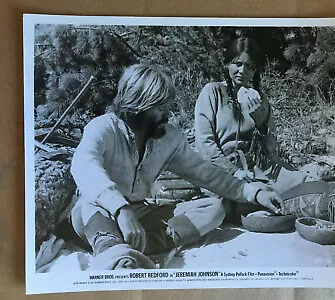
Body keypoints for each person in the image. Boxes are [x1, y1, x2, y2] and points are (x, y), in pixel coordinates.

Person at [69, 63, 284, 270]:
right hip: (100, 211)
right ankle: (112, 249)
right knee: (89, 208)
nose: (166, 115)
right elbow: (83, 166)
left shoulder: (168, 138)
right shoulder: (103, 128)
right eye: (160, 108)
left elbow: (205, 174)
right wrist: (120, 209)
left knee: (213, 209)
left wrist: (253, 192)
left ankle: (132, 246)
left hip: (140, 213)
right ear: (137, 106)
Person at [195, 37, 330, 221]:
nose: (243, 70)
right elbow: (205, 143)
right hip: (223, 170)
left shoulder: (260, 101)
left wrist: (262, 124)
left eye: (250, 66)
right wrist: (234, 171)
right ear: (228, 63)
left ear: (255, 70)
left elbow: (270, 149)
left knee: (309, 185)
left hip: (261, 168)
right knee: (256, 198)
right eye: (237, 63)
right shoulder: (213, 92)